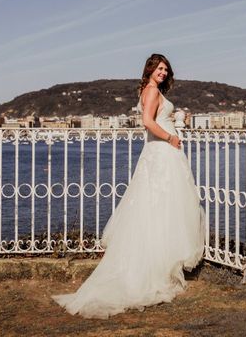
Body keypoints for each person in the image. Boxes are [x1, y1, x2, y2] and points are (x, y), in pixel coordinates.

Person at [52, 53, 205, 318]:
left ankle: (158, 266)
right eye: (159, 68)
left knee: (157, 210)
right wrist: (171, 137)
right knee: (160, 209)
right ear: (150, 70)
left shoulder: (151, 90)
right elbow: (148, 122)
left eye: (166, 69)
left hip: (159, 154)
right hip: (161, 153)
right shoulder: (152, 90)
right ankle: (153, 271)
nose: (163, 72)